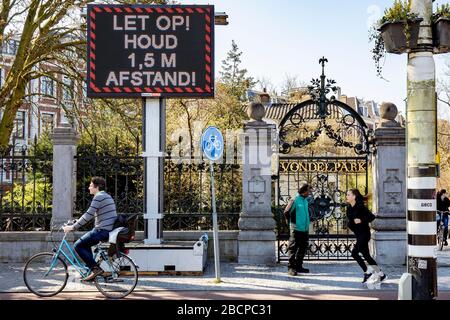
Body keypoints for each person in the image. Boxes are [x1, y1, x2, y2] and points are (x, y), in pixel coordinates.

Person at [62, 176, 117, 281]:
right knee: (85, 244)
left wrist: (73, 227)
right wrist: (77, 221)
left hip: (102, 230)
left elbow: (88, 215)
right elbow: (91, 214)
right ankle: (90, 269)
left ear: (97, 187)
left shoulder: (99, 197)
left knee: (78, 245)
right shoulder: (106, 196)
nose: (89, 188)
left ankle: (95, 269)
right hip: (106, 229)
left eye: (91, 185)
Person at [346, 188, 386, 283]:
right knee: (367, 256)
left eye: (348, 194)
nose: (346, 196)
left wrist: (361, 220)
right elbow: (351, 222)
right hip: (359, 235)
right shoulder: (349, 208)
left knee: (354, 253)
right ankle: (381, 274)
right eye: (346, 195)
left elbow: (371, 217)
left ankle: (367, 272)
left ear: (354, 196)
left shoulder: (360, 206)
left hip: (364, 234)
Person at [286, 183, 311, 276]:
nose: (309, 192)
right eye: (308, 190)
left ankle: (299, 266)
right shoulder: (295, 200)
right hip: (296, 229)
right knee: (293, 249)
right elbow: (286, 212)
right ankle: (291, 268)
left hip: (304, 229)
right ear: (303, 191)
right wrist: (292, 224)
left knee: (303, 248)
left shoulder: (305, 200)